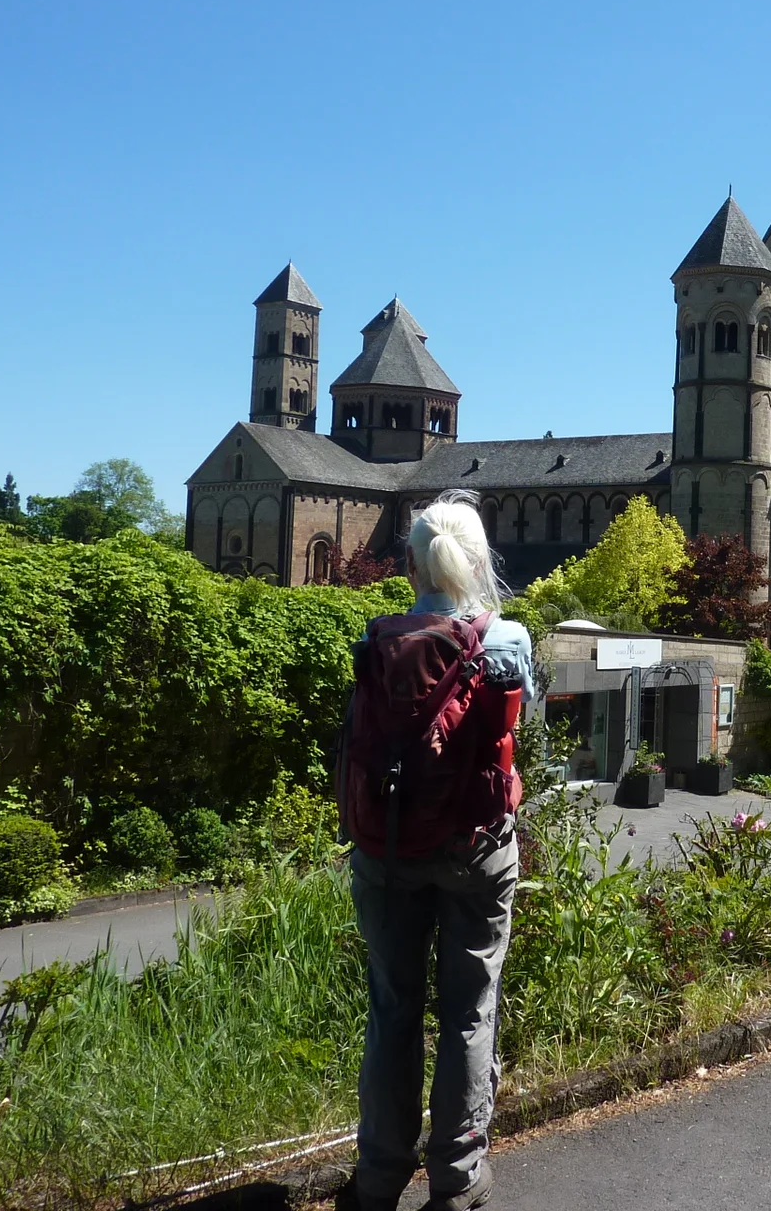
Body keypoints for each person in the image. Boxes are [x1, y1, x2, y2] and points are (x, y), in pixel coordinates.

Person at [338, 490, 536, 1211]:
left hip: (386, 850)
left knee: (392, 1009)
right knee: (469, 1010)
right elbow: (521, 739)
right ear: (479, 560)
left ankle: (378, 1178)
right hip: (476, 851)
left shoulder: (378, 639)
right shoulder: (506, 638)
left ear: (412, 559)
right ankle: (457, 1180)